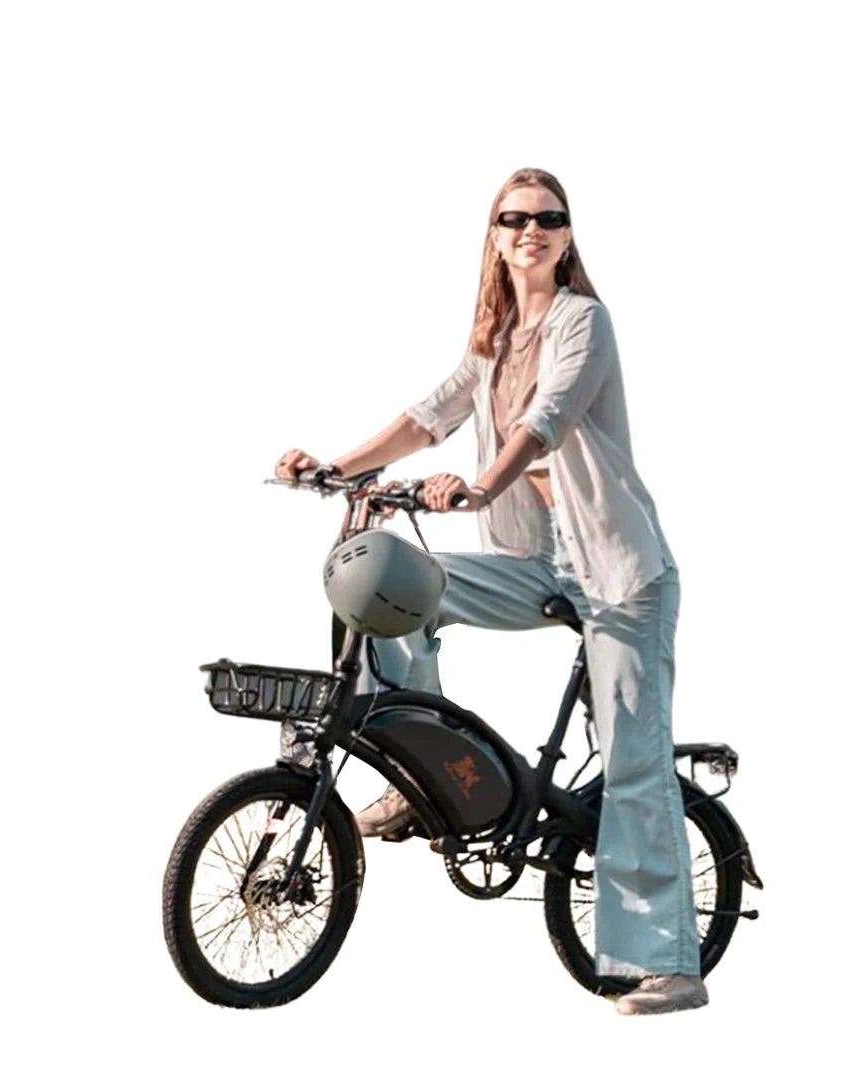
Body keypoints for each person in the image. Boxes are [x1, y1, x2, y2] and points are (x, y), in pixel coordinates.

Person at [275, 167, 705, 1016]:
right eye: (514, 219)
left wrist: (474, 489)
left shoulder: (582, 321)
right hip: (544, 564)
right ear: (495, 235)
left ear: (568, 236)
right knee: (392, 580)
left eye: (549, 218)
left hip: (621, 575)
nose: (531, 230)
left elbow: (546, 420)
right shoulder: (494, 337)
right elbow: (425, 419)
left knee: (631, 760)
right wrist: (334, 467)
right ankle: (412, 761)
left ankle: (669, 965)